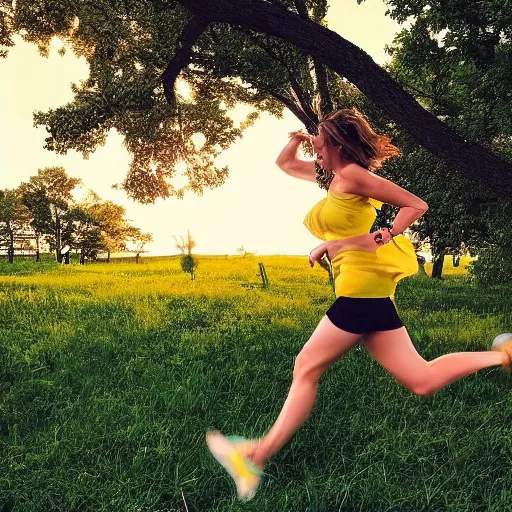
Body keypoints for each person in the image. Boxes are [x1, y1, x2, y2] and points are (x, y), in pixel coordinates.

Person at [206, 108, 512, 501]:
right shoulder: (331, 179)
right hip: (364, 288)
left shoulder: (352, 176)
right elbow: (284, 164)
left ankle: (255, 457)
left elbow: (415, 205)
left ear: (335, 144)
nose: (314, 147)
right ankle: (504, 355)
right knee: (421, 379)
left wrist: (364, 239)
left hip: (361, 287)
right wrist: (296, 140)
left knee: (305, 367)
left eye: (318, 140)